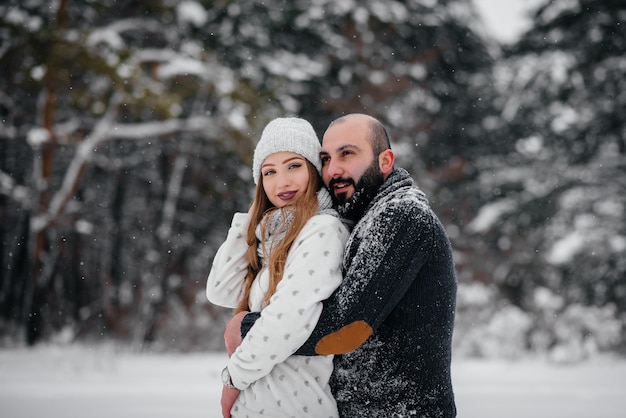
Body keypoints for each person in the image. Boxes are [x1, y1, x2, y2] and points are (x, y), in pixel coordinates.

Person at [229, 113, 458, 416]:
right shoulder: (365, 218)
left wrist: (247, 329)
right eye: (325, 159)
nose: (333, 170)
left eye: (347, 154)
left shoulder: (402, 217)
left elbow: (347, 329)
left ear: (385, 161)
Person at [206, 117, 350, 418]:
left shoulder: (322, 230)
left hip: (297, 408)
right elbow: (220, 289)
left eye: (294, 166)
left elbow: (288, 320)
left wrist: (233, 379)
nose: (281, 182)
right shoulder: (272, 238)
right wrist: (250, 219)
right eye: (268, 172)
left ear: (313, 169)